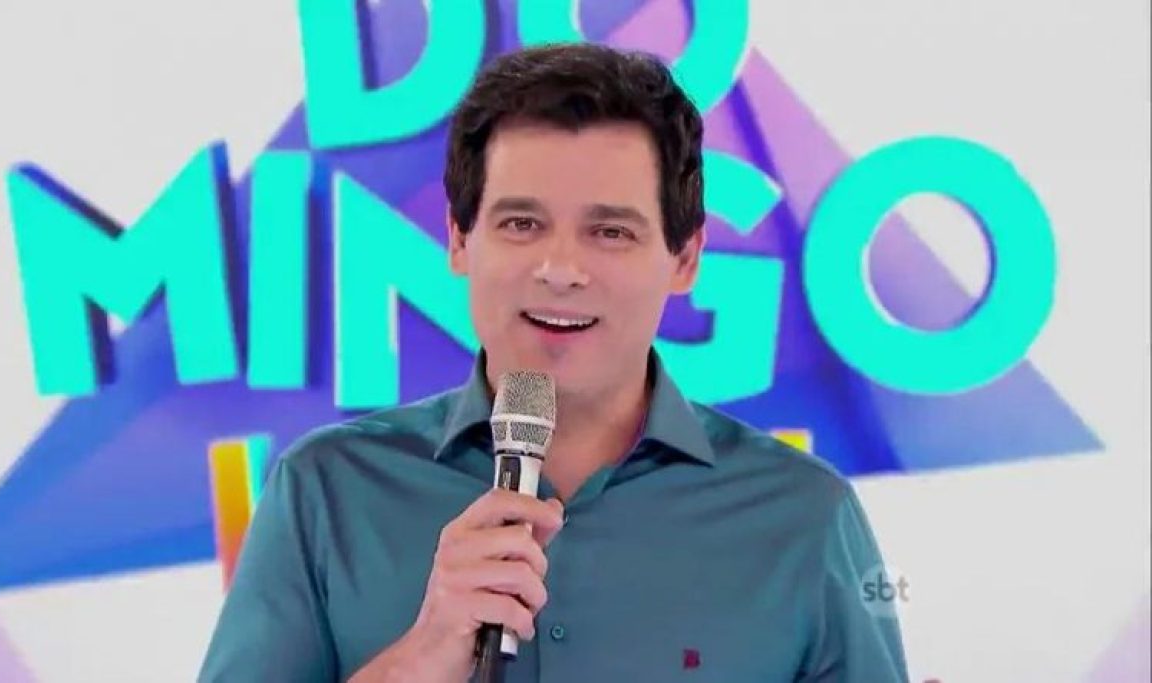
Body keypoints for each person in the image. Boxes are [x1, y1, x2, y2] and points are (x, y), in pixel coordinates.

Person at [200, 43, 910, 682]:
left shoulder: (803, 517)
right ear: (459, 239)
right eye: (521, 223)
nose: (561, 268)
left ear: (685, 257)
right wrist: (421, 657)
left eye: (610, 231)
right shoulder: (325, 494)